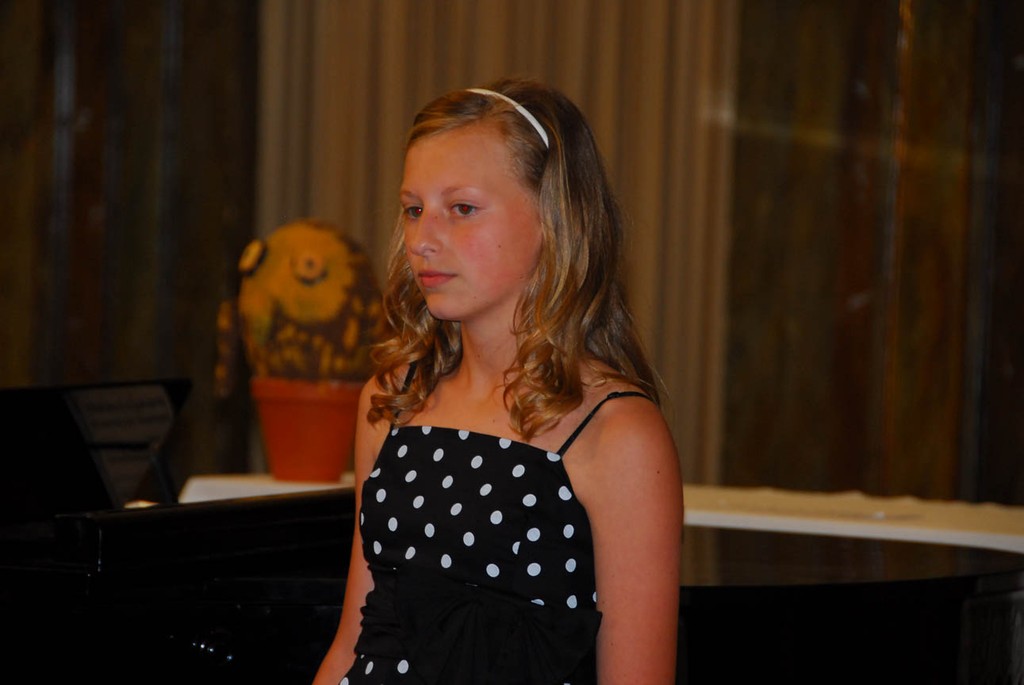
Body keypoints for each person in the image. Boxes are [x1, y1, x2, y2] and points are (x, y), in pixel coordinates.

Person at [313, 77, 683, 685]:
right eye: (413, 209)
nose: (422, 241)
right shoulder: (395, 397)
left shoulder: (617, 434)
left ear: (555, 220)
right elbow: (353, 643)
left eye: (461, 209)